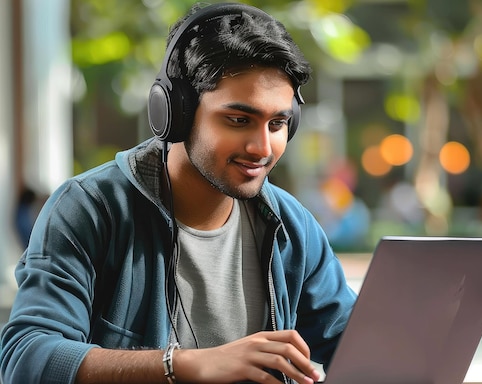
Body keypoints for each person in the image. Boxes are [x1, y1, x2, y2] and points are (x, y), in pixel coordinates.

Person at [0, 3, 357, 384]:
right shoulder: (88, 208)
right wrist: (185, 364)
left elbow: (360, 347)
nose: (262, 147)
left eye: (277, 123)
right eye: (239, 120)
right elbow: (27, 358)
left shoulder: (290, 225)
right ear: (176, 112)